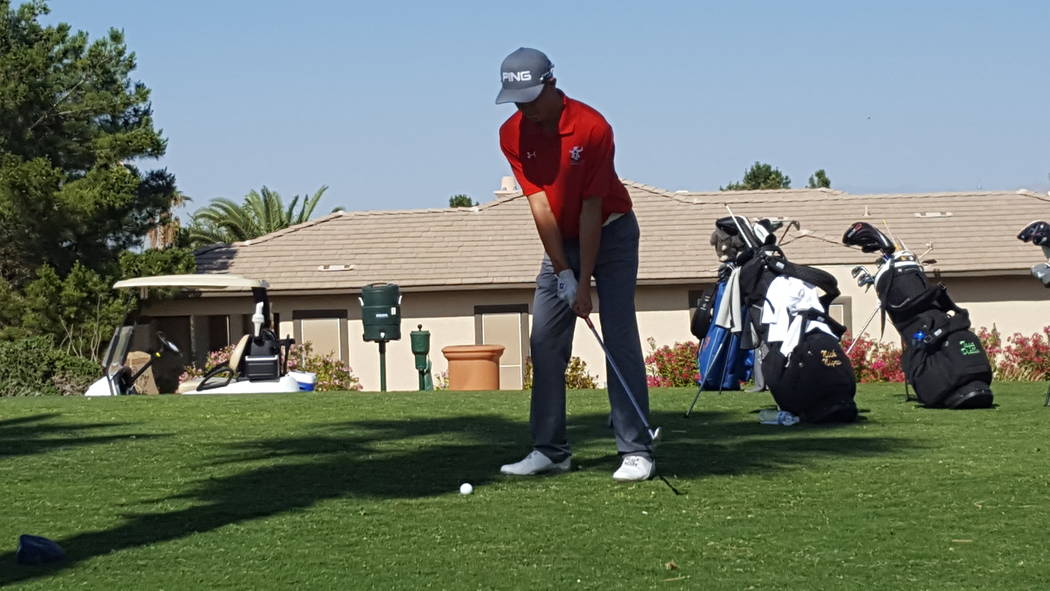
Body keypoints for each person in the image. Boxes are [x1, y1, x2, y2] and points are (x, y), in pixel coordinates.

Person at [494, 47, 653, 482]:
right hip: (560, 242)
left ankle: (636, 450)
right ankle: (551, 450)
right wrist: (563, 271)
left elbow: (591, 208)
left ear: (551, 83)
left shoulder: (592, 127)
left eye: (530, 97)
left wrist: (583, 285)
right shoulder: (512, 134)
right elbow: (540, 207)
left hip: (613, 233)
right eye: (516, 100)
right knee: (545, 341)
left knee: (618, 335)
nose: (524, 109)